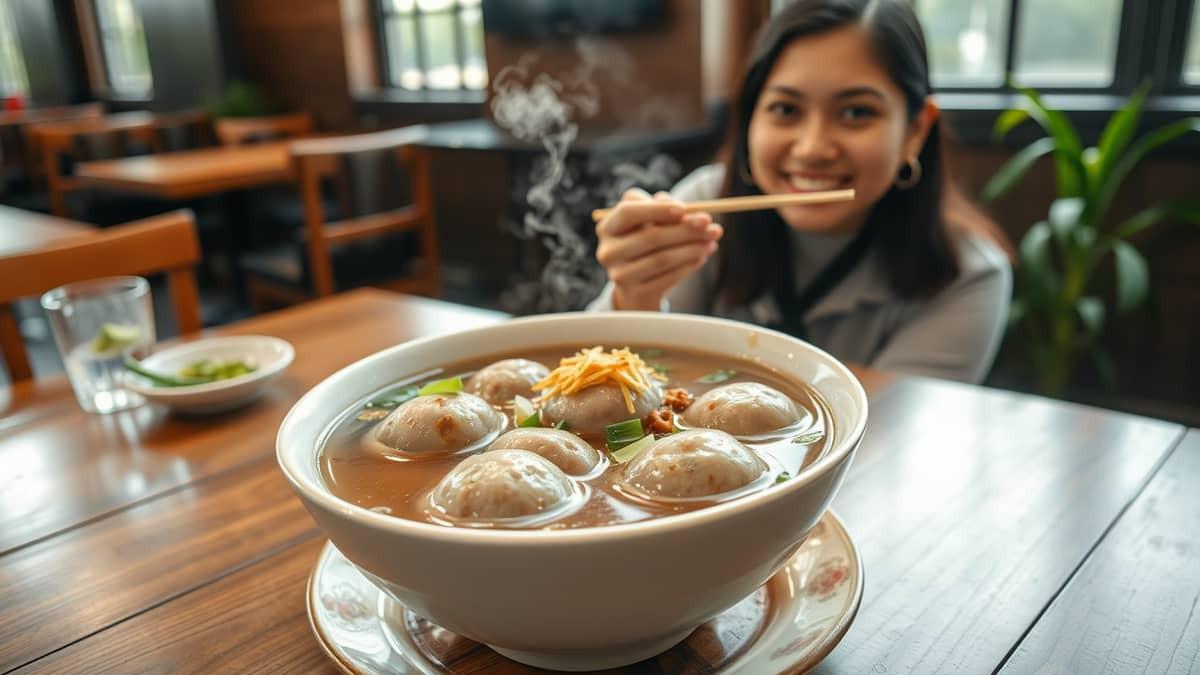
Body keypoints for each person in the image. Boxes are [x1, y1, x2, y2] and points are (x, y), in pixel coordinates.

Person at [588, 0, 1013, 384]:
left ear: (915, 131)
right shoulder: (704, 209)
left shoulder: (968, 275)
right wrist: (634, 296)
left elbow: (889, 436)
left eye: (856, 112)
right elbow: (601, 397)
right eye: (785, 109)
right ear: (751, 118)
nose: (812, 148)